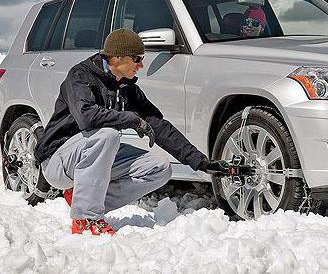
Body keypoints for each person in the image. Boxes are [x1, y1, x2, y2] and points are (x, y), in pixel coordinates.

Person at [34, 29, 229, 236]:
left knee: (159, 168)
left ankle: (84, 198)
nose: (141, 65)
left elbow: (159, 126)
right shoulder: (80, 76)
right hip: (58, 159)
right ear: (117, 57)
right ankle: (86, 219)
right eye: (136, 58)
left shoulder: (127, 89)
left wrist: (202, 162)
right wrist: (132, 120)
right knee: (107, 135)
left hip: (90, 158)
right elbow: (86, 117)